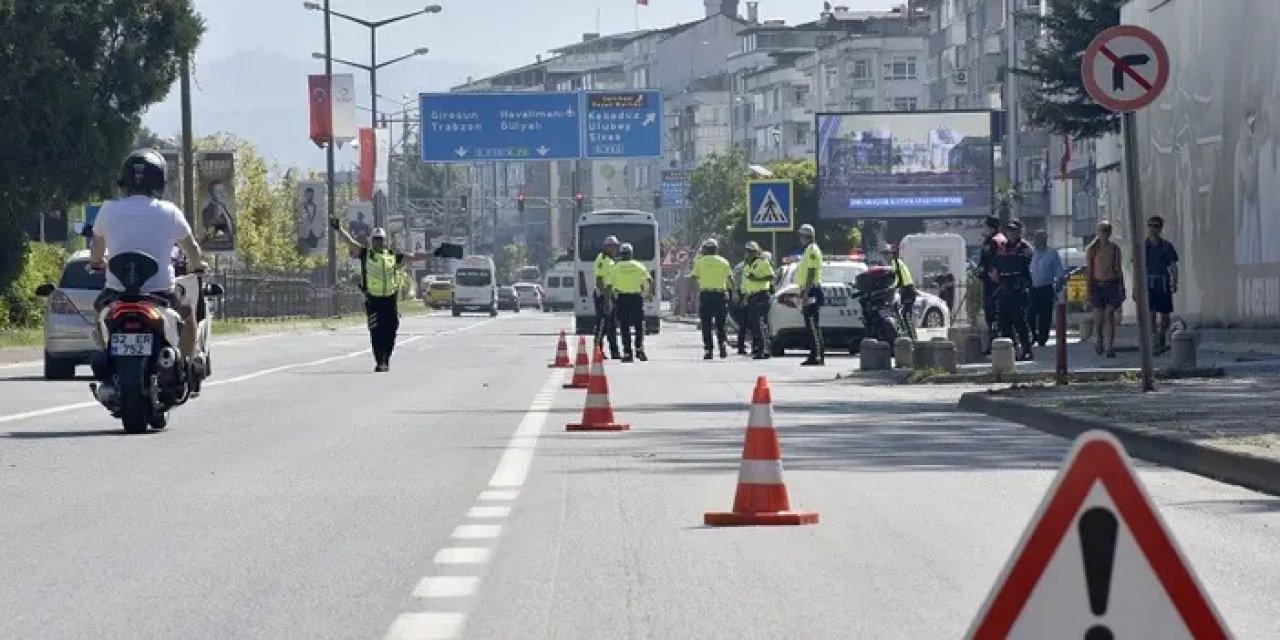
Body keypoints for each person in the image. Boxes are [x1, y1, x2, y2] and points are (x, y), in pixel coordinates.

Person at [90, 149, 208, 380]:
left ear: (124, 180)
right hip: (161, 292)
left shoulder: (108, 209)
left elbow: (96, 250)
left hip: (118, 292)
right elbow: (191, 249)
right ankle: (186, 366)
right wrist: (197, 265)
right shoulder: (170, 212)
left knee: (99, 312)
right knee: (188, 311)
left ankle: (106, 351)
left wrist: (97, 263)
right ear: (159, 180)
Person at [332, 219, 416, 372]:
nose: (378, 242)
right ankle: (380, 361)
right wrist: (339, 229)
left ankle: (386, 358)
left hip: (390, 300)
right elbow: (350, 242)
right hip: (373, 300)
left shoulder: (392, 255)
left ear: (385, 241)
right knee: (376, 331)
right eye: (375, 239)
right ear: (372, 241)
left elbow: (413, 257)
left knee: (391, 330)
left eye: (381, 239)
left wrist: (435, 253)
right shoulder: (366, 254)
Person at [993, 219, 1035, 361]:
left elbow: (1022, 262)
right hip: (1004, 287)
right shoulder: (1003, 247)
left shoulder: (1025, 247)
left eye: (1014, 231)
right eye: (1009, 231)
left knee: (1020, 322)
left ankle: (1027, 350)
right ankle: (1010, 352)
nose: (1011, 233)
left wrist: (1009, 263)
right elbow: (996, 264)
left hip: (1018, 289)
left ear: (1019, 232)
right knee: (1004, 323)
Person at [608, 242, 654, 363]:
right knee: (639, 325)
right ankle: (639, 349)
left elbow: (609, 285)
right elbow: (650, 280)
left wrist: (612, 299)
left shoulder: (615, 268)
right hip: (636, 298)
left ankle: (628, 353)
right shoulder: (638, 266)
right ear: (631, 253)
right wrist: (649, 293)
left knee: (624, 327)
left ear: (621, 254)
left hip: (622, 299)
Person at [1086, 220, 1125, 358]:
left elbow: (1119, 269)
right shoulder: (1093, 249)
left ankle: (1110, 346)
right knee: (1099, 318)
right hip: (1098, 286)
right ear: (1098, 232)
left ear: (1110, 232)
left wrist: (1122, 287)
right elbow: (1090, 270)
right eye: (1102, 230)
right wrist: (1088, 289)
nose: (1104, 233)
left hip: (1112, 285)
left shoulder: (1115, 249)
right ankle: (1099, 338)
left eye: (1107, 230)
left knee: (1109, 314)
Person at [691, 238, 734, 360]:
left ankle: (709, 349)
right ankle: (722, 344)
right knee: (721, 323)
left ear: (705, 249)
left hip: (706, 295)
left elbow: (694, 278)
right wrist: (733, 294)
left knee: (706, 324)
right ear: (716, 249)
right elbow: (730, 280)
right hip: (720, 295)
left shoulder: (700, 262)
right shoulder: (724, 262)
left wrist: (693, 295)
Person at [1145, 215, 1180, 355]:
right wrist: (1136, 288)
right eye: (1150, 225)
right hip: (1149, 283)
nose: (1152, 228)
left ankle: (1161, 336)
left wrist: (1175, 281)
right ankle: (1153, 341)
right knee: (1151, 314)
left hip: (1163, 283)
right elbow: (1138, 267)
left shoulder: (1167, 246)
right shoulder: (1143, 246)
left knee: (1165, 316)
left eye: (1155, 226)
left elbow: (1173, 265)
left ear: (1160, 228)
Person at [1028, 229, 1066, 347]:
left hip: (1046, 288)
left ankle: (1042, 338)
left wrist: (1059, 285)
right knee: (1030, 313)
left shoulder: (1052, 253)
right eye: (1037, 238)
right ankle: (1034, 334)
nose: (1039, 241)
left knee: (1045, 314)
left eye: (1042, 238)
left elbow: (1059, 271)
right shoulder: (1030, 253)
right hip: (1032, 288)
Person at [741, 241, 776, 360]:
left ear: (756, 252)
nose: (748, 253)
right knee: (755, 325)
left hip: (760, 295)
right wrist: (744, 297)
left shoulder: (762, 262)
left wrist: (757, 279)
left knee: (760, 324)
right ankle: (758, 349)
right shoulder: (747, 265)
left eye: (751, 251)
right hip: (751, 297)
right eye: (747, 251)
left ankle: (764, 350)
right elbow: (746, 283)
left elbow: (771, 276)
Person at [977, 215, 1006, 353]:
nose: (983, 229)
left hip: (993, 284)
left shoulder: (995, 241)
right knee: (992, 315)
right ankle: (992, 343)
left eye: (985, 226)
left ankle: (994, 344)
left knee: (993, 315)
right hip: (990, 282)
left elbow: (994, 261)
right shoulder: (993, 240)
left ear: (991, 227)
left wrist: (989, 272)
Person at [796, 224, 825, 366]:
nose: (800, 239)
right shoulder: (808, 250)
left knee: (813, 325)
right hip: (809, 289)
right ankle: (814, 354)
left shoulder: (812, 250)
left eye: (801, 236)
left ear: (805, 236)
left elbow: (811, 272)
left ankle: (817, 356)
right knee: (811, 325)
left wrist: (806, 293)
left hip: (812, 289)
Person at [592, 235, 622, 359]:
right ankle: (597, 350)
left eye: (616, 246)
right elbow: (599, 280)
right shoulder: (602, 259)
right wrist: (606, 298)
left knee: (612, 326)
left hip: (610, 295)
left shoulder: (610, 260)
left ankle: (614, 352)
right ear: (606, 247)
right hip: (603, 296)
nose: (615, 249)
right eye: (612, 247)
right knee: (602, 325)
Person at [887, 244, 917, 329]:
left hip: (907, 289)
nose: (885, 257)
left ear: (892, 254)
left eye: (887, 254)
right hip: (907, 289)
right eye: (884, 254)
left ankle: (910, 335)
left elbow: (897, 279)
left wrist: (890, 288)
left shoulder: (895, 262)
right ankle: (910, 333)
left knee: (906, 314)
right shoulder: (898, 262)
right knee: (906, 314)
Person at [200, 180, 235, 245]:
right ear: (211, 194)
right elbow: (212, 232)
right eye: (218, 192)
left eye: (223, 190)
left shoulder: (223, 207)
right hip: (217, 246)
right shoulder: (207, 211)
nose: (222, 194)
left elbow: (231, 228)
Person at [730, 257, 749, 355]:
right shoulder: (748, 267)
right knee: (748, 323)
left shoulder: (739, 266)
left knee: (743, 324)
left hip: (739, 294)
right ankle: (744, 346)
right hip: (744, 294)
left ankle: (741, 346)